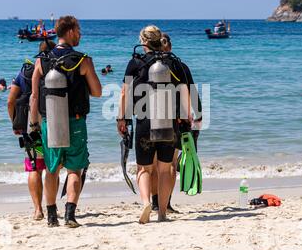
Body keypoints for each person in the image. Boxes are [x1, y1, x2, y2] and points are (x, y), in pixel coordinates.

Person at [30, 16, 102, 228]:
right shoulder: (83, 60)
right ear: (69, 31)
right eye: (78, 30)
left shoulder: (41, 61)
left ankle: (52, 216)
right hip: (76, 122)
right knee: (74, 170)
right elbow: (97, 92)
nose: (80, 34)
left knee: (52, 170)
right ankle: (70, 215)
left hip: (49, 122)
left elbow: (34, 97)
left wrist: (33, 127)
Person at [117, 25, 190, 224]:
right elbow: (185, 93)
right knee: (166, 169)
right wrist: (186, 119)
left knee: (144, 169)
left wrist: (121, 118)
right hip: (169, 123)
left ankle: (145, 202)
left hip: (144, 122)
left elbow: (124, 93)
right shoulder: (175, 63)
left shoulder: (136, 62)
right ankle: (163, 213)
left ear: (143, 42)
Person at [150, 33, 202, 213]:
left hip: (152, 118)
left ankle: (155, 202)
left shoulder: (150, 66)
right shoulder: (180, 66)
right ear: (170, 47)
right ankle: (166, 203)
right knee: (170, 164)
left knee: (155, 164)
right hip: (176, 120)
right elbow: (192, 92)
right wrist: (199, 116)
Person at [7, 41, 56, 221]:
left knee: (34, 166)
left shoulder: (25, 71)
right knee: (53, 166)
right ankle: (52, 207)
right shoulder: (57, 69)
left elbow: (10, 101)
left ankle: (38, 210)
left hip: (31, 123)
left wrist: (16, 123)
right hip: (53, 121)